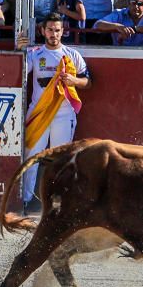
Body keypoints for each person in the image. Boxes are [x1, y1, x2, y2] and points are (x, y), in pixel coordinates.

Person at [18, 11, 90, 210]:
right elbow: (19, 72)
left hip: (63, 113)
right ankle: (24, 200)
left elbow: (88, 81)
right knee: (31, 155)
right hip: (39, 112)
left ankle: (59, 202)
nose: (53, 34)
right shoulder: (34, 54)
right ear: (42, 31)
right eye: (50, 30)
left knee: (62, 159)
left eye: (57, 30)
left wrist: (74, 81)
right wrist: (19, 51)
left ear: (62, 32)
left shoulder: (72, 55)